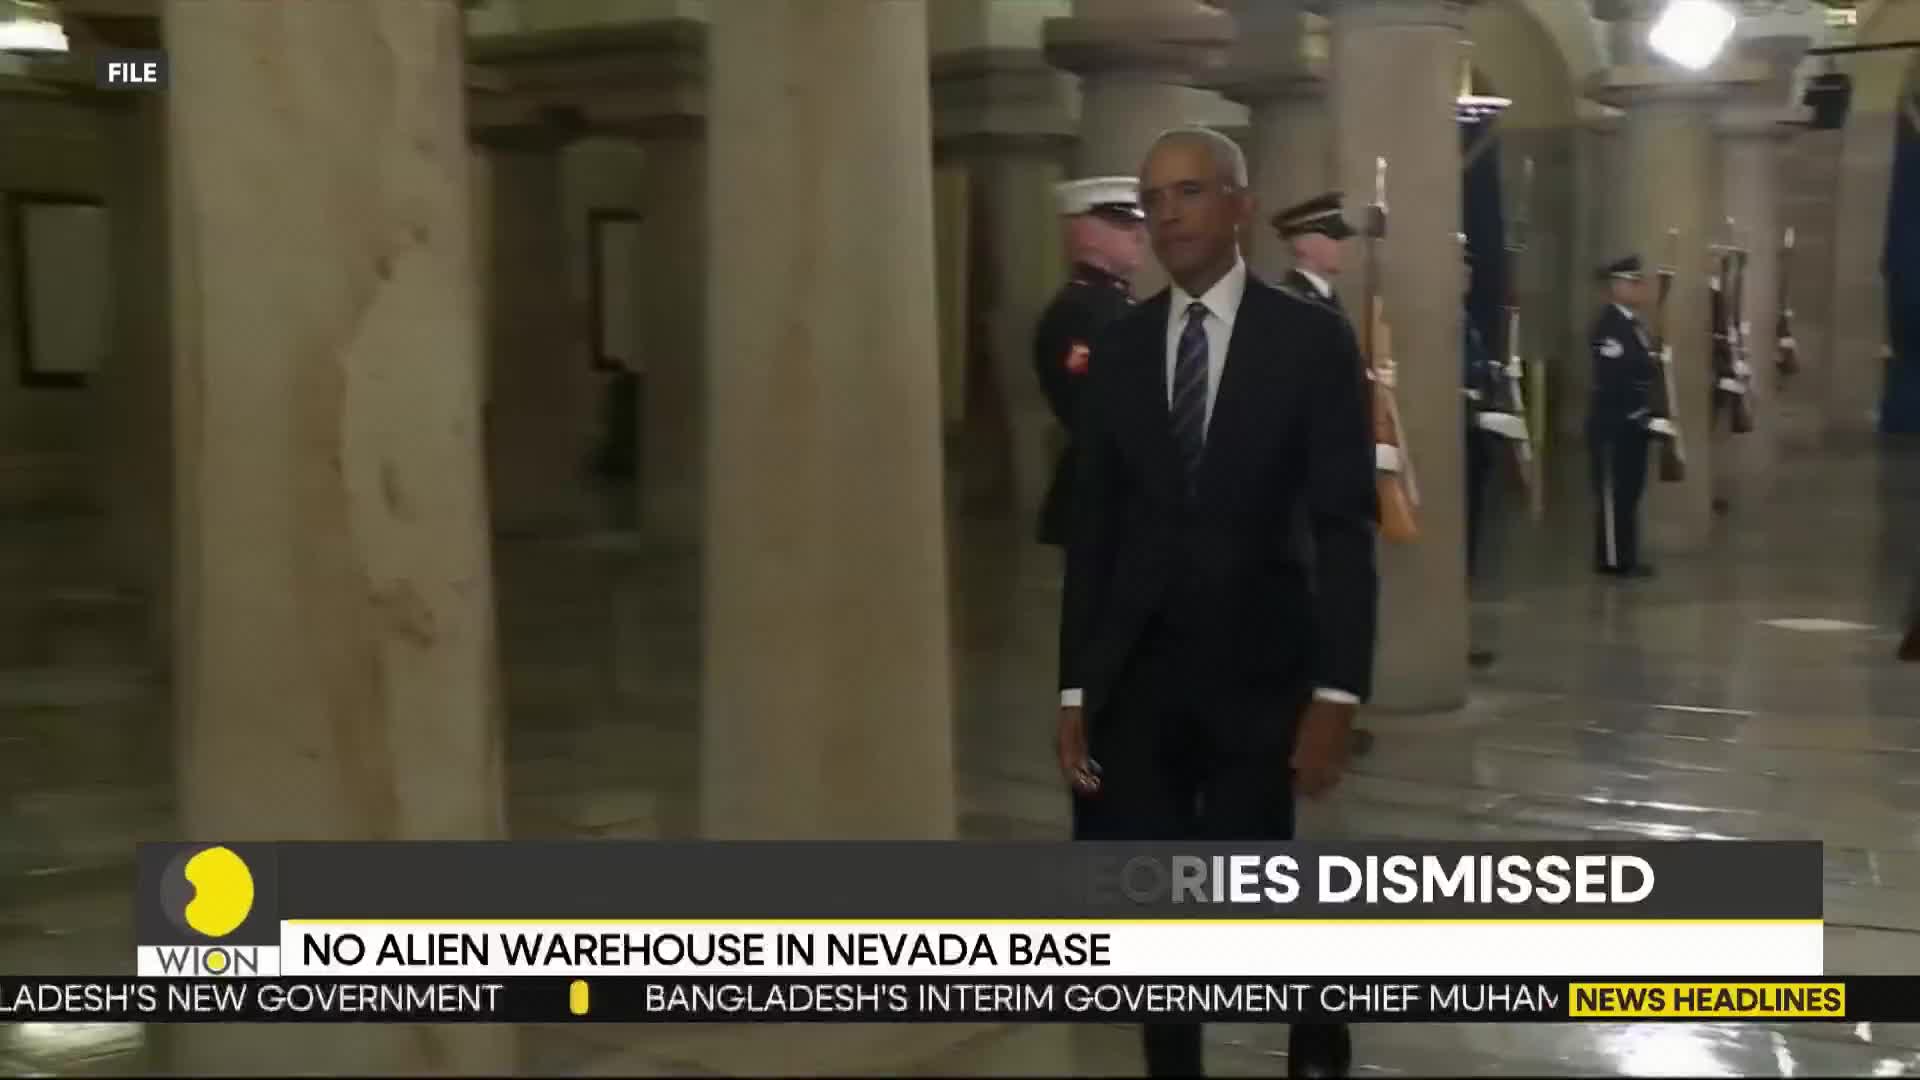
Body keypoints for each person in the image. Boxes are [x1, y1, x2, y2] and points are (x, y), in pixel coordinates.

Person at [1056, 126, 1377, 1079]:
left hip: (1261, 668)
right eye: (1153, 200)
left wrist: (1338, 690)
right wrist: (1076, 692)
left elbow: (1342, 528)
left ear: (1238, 204)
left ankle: (1315, 1029)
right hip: (1141, 674)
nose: (1166, 215)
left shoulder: (1308, 339)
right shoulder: (1118, 348)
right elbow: (1096, 536)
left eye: (1189, 193)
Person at [1272, 191, 1375, 755]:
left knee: (1329, 599)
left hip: (1331, 471)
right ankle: (1299, 717)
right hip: (1303, 481)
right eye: (1332, 237)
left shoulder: (1326, 302)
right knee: (1307, 601)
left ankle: (1321, 709)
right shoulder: (1294, 305)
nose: (1342, 248)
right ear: (1305, 245)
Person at [1033, 178, 1147, 546]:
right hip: (1107, 496)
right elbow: (1092, 404)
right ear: (1086, 234)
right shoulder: (1079, 312)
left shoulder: (1118, 306)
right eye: (1124, 225)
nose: (1139, 235)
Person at [1588, 255, 1658, 579]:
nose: (1638, 288)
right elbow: (1616, 375)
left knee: (1631, 491)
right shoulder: (1610, 326)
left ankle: (1627, 555)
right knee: (1614, 493)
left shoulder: (1635, 326)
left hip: (1635, 422)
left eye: (1639, 282)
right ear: (1616, 286)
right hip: (1613, 424)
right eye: (1633, 282)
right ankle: (1612, 559)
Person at [1272, 191, 1354, 313]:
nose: (1342, 244)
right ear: (1302, 245)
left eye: (1343, 237)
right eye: (1334, 236)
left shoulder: (1329, 299)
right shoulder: (1283, 302)